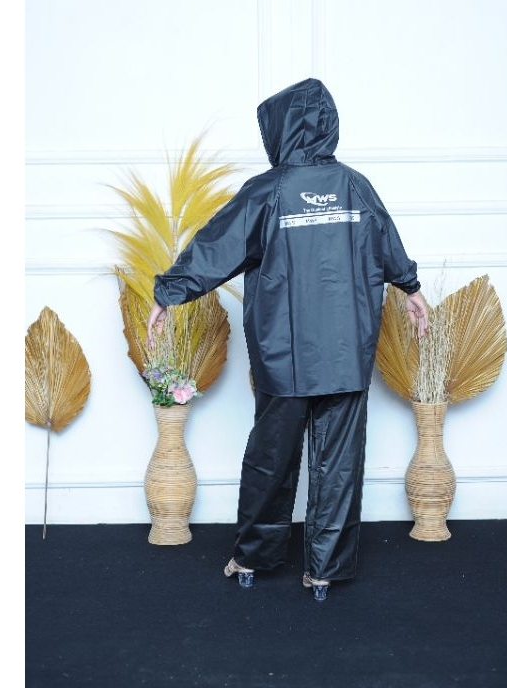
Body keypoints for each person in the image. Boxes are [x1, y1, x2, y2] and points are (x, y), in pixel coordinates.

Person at [147, 78, 428, 601]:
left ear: (281, 130)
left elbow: (216, 247)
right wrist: (411, 288)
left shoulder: (268, 191)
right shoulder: (356, 187)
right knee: (339, 462)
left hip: (285, 354)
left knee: (270, 458)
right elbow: (388, 245)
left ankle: (253, 558)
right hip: (346, 351)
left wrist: (168, 292)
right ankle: (324, 570)